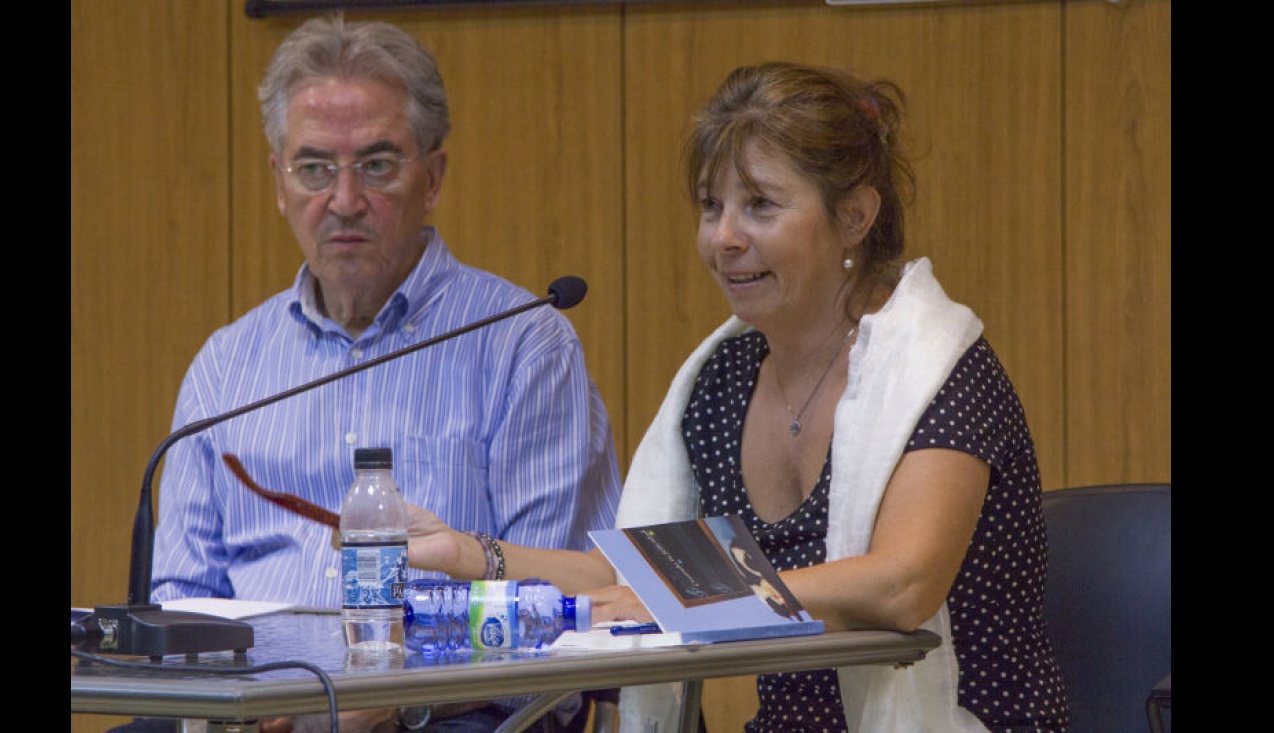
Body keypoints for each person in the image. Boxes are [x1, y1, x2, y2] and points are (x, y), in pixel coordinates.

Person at [403, 61, 1071, 732]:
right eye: (710, 205)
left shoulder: (938, 367)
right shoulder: (723, 379)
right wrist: (468, 553)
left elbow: (900, 585)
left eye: (760, 205)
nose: (723, 237)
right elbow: (625, 573)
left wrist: (675, 598)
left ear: (855, 217)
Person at [112, 13, 623, 733]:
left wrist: (395, 699)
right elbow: (182, 602)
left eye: (377, 165)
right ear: (278, 181)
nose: (344, 200)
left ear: (432, 177)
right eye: (315, 167)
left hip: (452, 715)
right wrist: (237, 708)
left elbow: (559, 615)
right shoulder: (226, 365)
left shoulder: (523, 347)